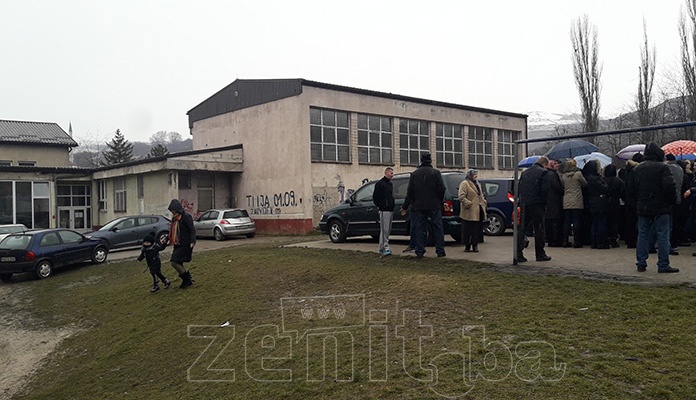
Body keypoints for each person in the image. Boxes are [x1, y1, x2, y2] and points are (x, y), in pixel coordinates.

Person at [626, 142, 679, 273]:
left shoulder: (637, 169)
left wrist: (637, 203)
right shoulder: (663, 168)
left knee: (642, 234)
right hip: (661, 206)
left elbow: (630, 190)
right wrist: (671, 201)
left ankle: (641, 263)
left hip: (643, 205)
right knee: (663, 235)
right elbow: (669, 187)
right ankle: (663, 264)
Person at [400, 152, 446, 259]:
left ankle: (420, 251)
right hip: (434, 205)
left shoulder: (415, 174)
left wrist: (405, 206)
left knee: (420, 228)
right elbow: (442, 189)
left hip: (419, 206)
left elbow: (410, 192)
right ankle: (440, 251)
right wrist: (440, 201)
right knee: (438, 228)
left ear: (421, 160)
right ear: (430, 161)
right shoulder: (435, 173)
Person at [517, 156, 551, 262]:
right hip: (537, 204)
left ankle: (518, 253)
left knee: (522, 228)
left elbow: (519, 188)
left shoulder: (525, 173)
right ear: (544, 164)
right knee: (539, 229)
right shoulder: (543, 173)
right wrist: (545, 203)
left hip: (525, 203)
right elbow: (545, 191)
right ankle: (540, 254)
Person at [168, 199, 197, 287]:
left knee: (174, 261)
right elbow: (173, 231)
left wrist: (192, 241)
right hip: (177, 243)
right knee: (179, 262)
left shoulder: (185, 217)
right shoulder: (175, 219)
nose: (172, 212)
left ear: (177, 209)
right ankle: (187, 279)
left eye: (173, 210)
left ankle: (186, 279)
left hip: (185, 243)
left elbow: (192, 229)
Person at [560, 158, 587, 248]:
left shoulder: (563, 176)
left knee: (566, 221)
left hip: (566, 200)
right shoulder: (578, 174)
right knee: (576, 221)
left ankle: (565, 241)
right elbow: (584, 184)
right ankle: (577, 241)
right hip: (577, 199)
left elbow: (563, 186)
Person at [458, 169, 487, 252]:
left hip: (478, 210)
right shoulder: (464, 183)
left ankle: (475, 246)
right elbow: (461, 196)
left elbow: (480, 195)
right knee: (467, 230)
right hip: (469, 211)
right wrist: (468, 204)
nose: (476, 176)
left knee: (476, 230)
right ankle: (467, 246)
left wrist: (484, 202)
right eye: (474, 174)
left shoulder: (478, 184)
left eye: (476, 174)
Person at [585, 160, 610, 249]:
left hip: (593, 201)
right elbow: (605, 188)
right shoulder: (595, 179)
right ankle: (600, 241)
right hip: (600, 201)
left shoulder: (589, 178)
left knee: (595, 222)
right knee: (601, 222)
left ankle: (594, 241)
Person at [373, 167, 395, 256]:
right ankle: (385, 247)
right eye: (391, 173)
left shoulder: (390, 184)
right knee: (384, 229)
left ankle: (382, 247)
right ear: (386, 173)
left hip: (390, 209)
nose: (392, 175)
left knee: (388, 229)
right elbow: (375, 197)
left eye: (393, 173)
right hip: (383, 210)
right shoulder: (380, 184)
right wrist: (381, 205)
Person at [544, 159, 564, 247]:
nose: (557, 165)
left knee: (549, 221)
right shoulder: (553, 175)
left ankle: (550, 239)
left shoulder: (545, 174)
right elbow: (558, 188)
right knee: (555, 221)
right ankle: (555, 240)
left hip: (548, 201)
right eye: (555, 164)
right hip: (554, 201)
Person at [604, 164, 625, 248]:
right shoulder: (618, 181)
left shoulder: (603, 180)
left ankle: (606, 238)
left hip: (605, 201)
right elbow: (622, 192)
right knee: (614, 222)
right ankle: (613, 239)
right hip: (615, 202)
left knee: (605, 221)